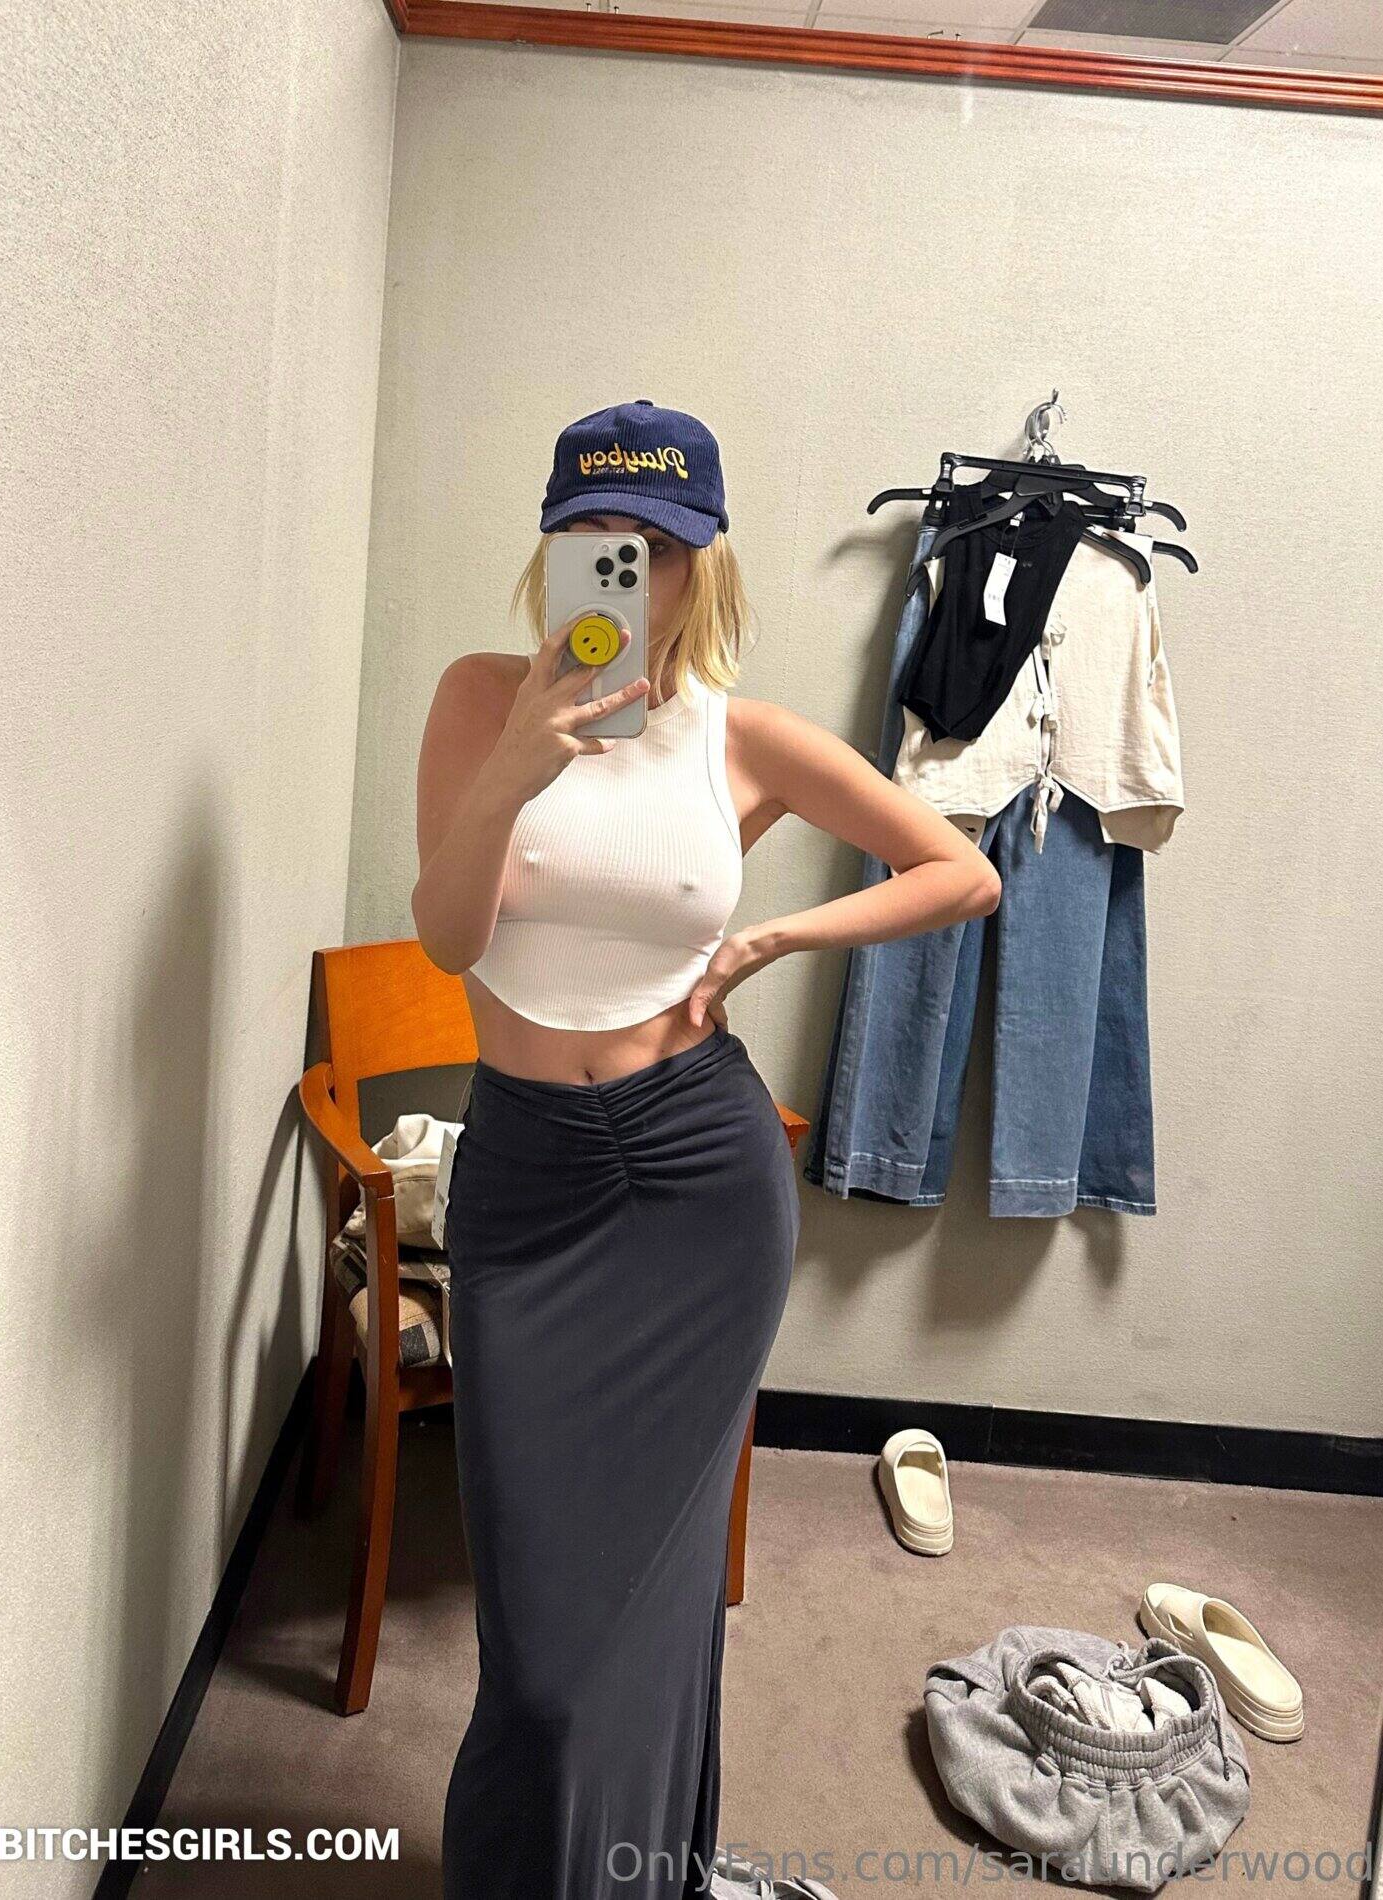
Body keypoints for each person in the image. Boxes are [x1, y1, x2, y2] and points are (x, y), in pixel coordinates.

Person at [410, 399, 1000, 1900]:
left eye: (657, 548)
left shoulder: (741, 737)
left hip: (697, 1185)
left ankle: (640, 1872)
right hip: (527, 1181)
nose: (628, 570)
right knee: (541, 1647)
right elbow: (448, 938)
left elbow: (960, 872)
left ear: (702, 563)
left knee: (661, 1586)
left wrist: (777, 938)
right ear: (553, 550)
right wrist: (520, 758)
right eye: (595, 539)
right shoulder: (479, 698)